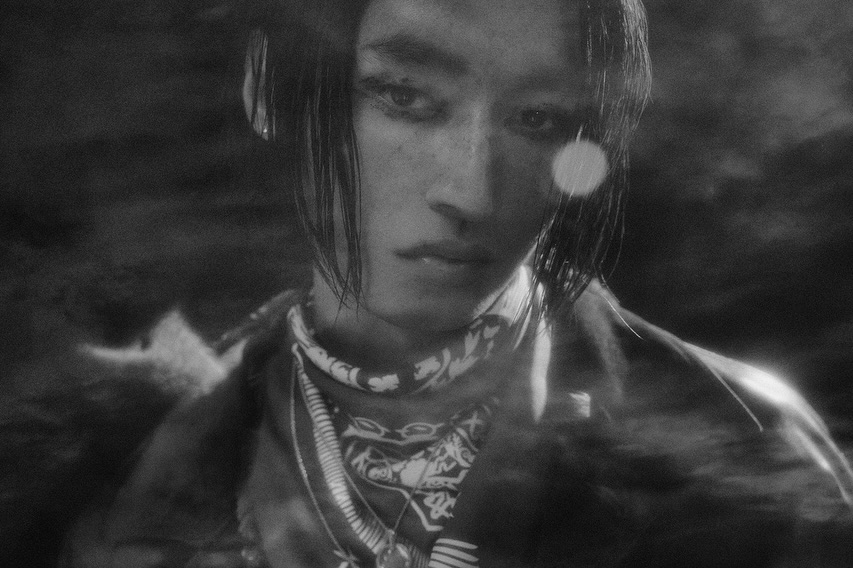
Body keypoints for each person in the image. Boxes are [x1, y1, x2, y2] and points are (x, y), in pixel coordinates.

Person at [5, 0, 852, 566]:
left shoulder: (749, 452)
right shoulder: (104, 469)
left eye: (537, 119)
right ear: (268, 88)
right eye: (405, 97)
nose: (470, 191)